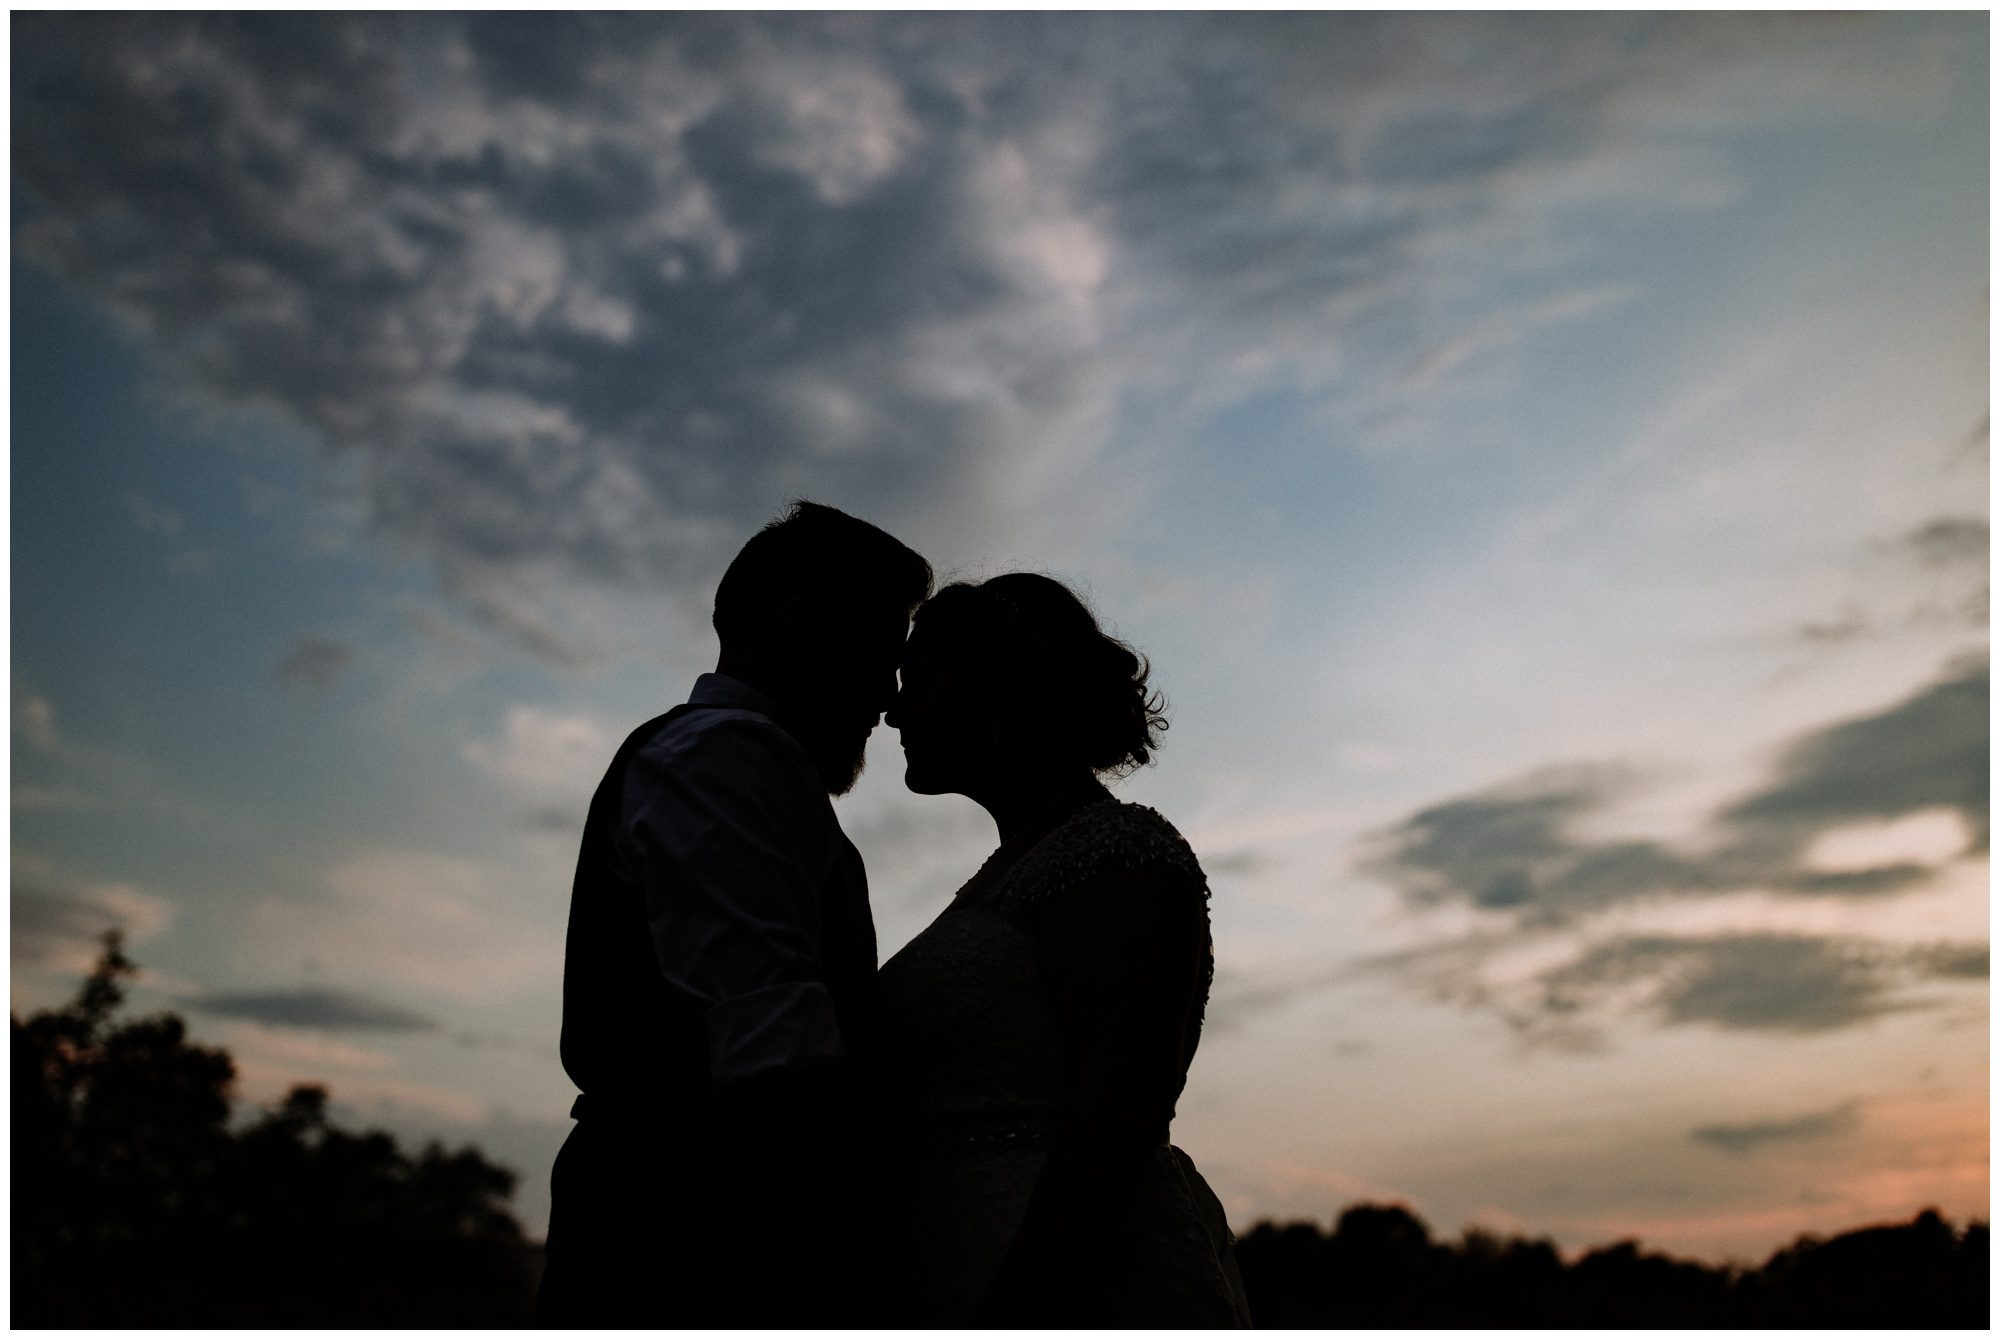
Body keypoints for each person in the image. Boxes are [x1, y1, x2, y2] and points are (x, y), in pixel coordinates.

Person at [535, 501, 932, 1328]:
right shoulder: (721, 758)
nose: (889, 699)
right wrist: (851, 1291)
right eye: (878, 654)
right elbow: (773, 1041)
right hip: (692, 1253)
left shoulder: (739, 765)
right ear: (796, 625)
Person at [873, 572, 1252, 1326]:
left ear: (997, 689)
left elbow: (1119, 1113)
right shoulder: (1011, 872)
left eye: (919, 681)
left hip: (1073, 1286)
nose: (891, 709)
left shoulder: (1119, 855)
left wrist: (1017, 1306)